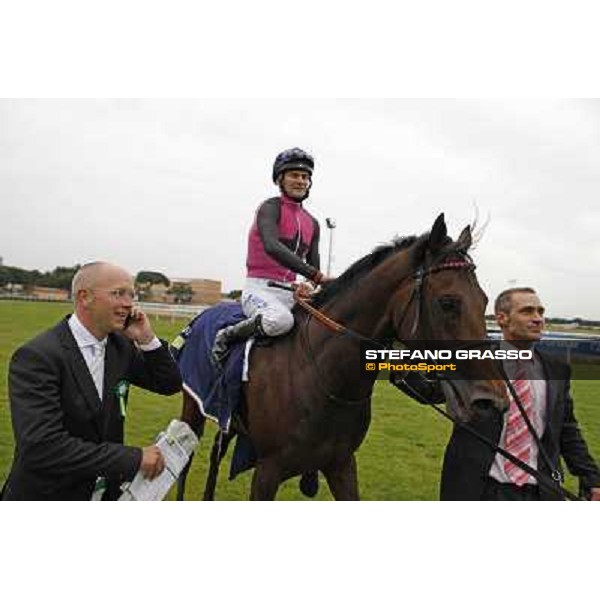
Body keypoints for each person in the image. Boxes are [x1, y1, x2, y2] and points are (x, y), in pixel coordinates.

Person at [1, 262, 182, 500]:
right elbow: (42, 447)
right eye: (118, 293)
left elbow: (168, 383)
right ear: (85, 297)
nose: (128, 303)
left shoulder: (120, 347)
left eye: (131, 295)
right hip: (48, 494)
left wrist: (147, 339)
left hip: (103, 494)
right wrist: (134, 458)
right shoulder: (38, 357)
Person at [440, 287, 600, 500]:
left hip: (540, 492)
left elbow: (565, 428)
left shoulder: (557, 369)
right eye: (527, 311)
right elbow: (424, 387)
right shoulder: (472, 362)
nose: (537, 319)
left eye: (540, 312)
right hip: (481, 489)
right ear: (502, 318)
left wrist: (590, 477)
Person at [211, 147, 332, 366]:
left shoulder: (312, 223)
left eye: (305, 177)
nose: (301, 181)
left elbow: (313, 263)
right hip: (259, 289)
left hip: (290, 292)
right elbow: (272, 246)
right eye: (294, 175)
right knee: (281, 320)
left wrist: (309, 285)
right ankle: (227, 335)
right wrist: (316, 276)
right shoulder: (270, 208)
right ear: (280, 179)